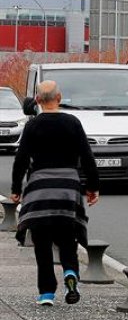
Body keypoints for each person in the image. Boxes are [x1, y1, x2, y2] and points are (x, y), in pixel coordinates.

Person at [10, 81, 100, 307]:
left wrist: (15, 189)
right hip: (68, 187)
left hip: (40, 187)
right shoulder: (72, 123)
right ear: (59, 98)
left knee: (42, 242)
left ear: (38, 100)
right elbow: (87, 157)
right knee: (68, 237)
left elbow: (20, 159)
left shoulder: (32, 126)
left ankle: (47, 293)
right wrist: (92, 187)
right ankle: (71, 272)